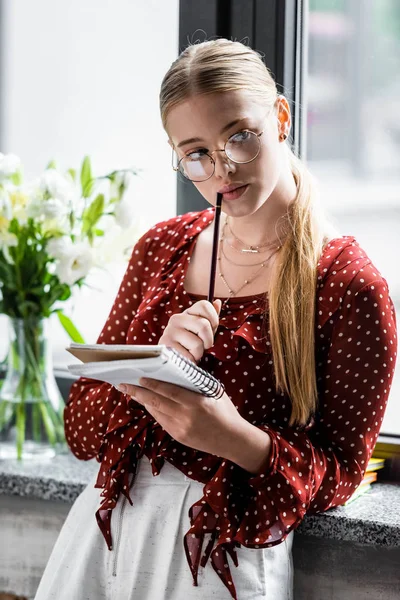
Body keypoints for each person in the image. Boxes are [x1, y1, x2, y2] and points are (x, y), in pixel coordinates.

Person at [34, 38, 397, 600]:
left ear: (280, 118)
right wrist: (149, 363)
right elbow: (80, 429)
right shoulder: (161, 247)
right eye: (196, 152)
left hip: (223, 556)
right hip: (105, 539)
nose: (220, 168)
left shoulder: (350, 286)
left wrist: (233, 439)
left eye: (239, 136)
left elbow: (343, 475)